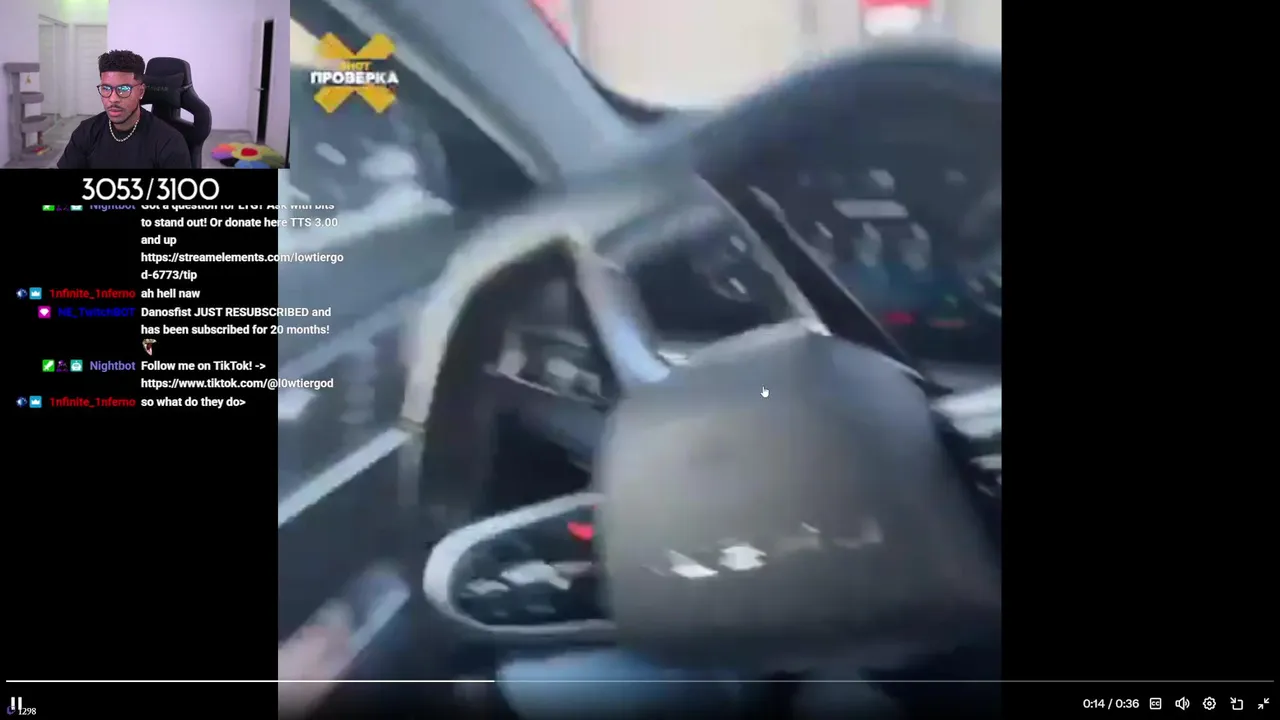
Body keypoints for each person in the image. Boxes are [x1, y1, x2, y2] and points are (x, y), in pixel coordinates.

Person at [56, 50, 192, 170]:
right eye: (106, 88)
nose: (113, 99)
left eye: (124, 89)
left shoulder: (169, 142)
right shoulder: (86, 132)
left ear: (141, 91)